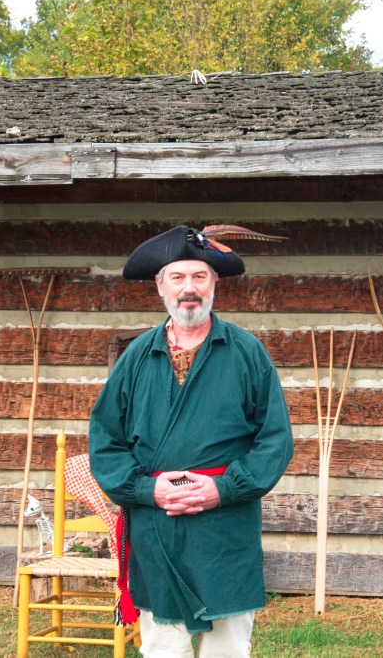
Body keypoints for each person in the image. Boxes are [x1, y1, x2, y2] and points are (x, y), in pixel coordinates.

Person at [89, 224, 294, 658]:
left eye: (199, 277)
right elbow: (106, 439)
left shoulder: (246, 351)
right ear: (160, 286)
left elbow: (275, 439)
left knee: (228, 647)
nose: (189, 289)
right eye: (177, 278)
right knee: (164, 647)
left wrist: (223, 489)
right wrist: (148, 489)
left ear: (214, 283)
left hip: (224, 527)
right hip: (155, 525)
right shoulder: (136, 357)